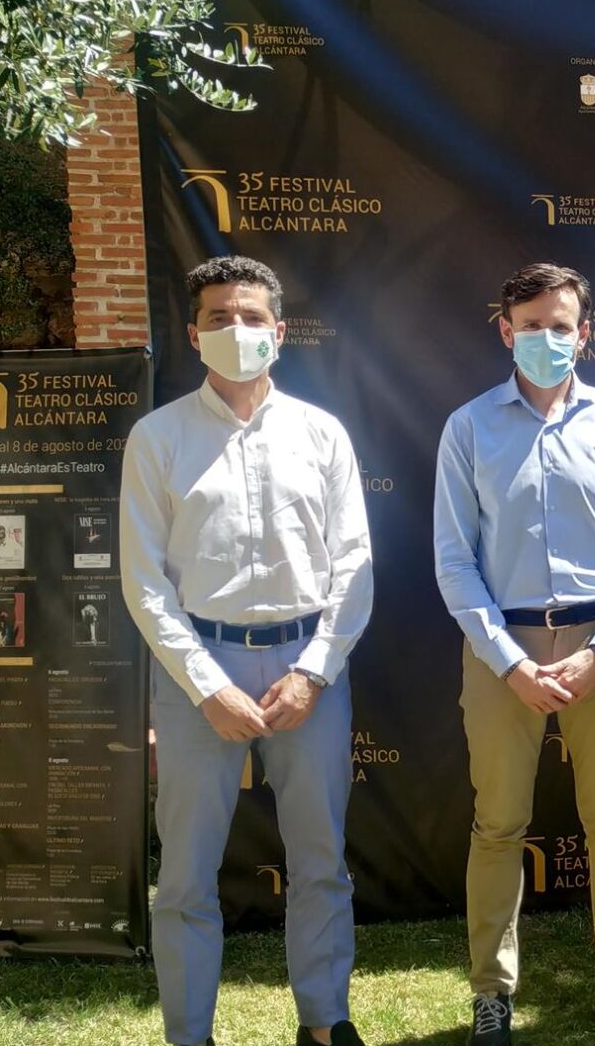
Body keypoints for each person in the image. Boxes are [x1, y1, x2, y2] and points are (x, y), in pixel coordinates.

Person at [119, 255, 374, 1046]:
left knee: (321, 860)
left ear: (280, 331)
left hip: (307, 670)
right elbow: (143, 581)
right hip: (198, 671)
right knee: (186, 874)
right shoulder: (157, 437)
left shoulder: (321, 434)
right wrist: (206, 684)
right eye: (220, 317)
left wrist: (313, 672)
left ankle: (324, 1022)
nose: (237, 329)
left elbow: (354, 565)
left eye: (252, 317)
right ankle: (189, 1035)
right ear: (194, 334)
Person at [433, 261, 595, 1046]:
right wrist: (509, 661)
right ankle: (492, 993)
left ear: (584, 333)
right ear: (506, 331)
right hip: (503, 650)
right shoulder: (469, 427)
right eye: (530, 325)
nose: (545, 337)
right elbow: (454, 559)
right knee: (498, 824)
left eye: (559, 325)